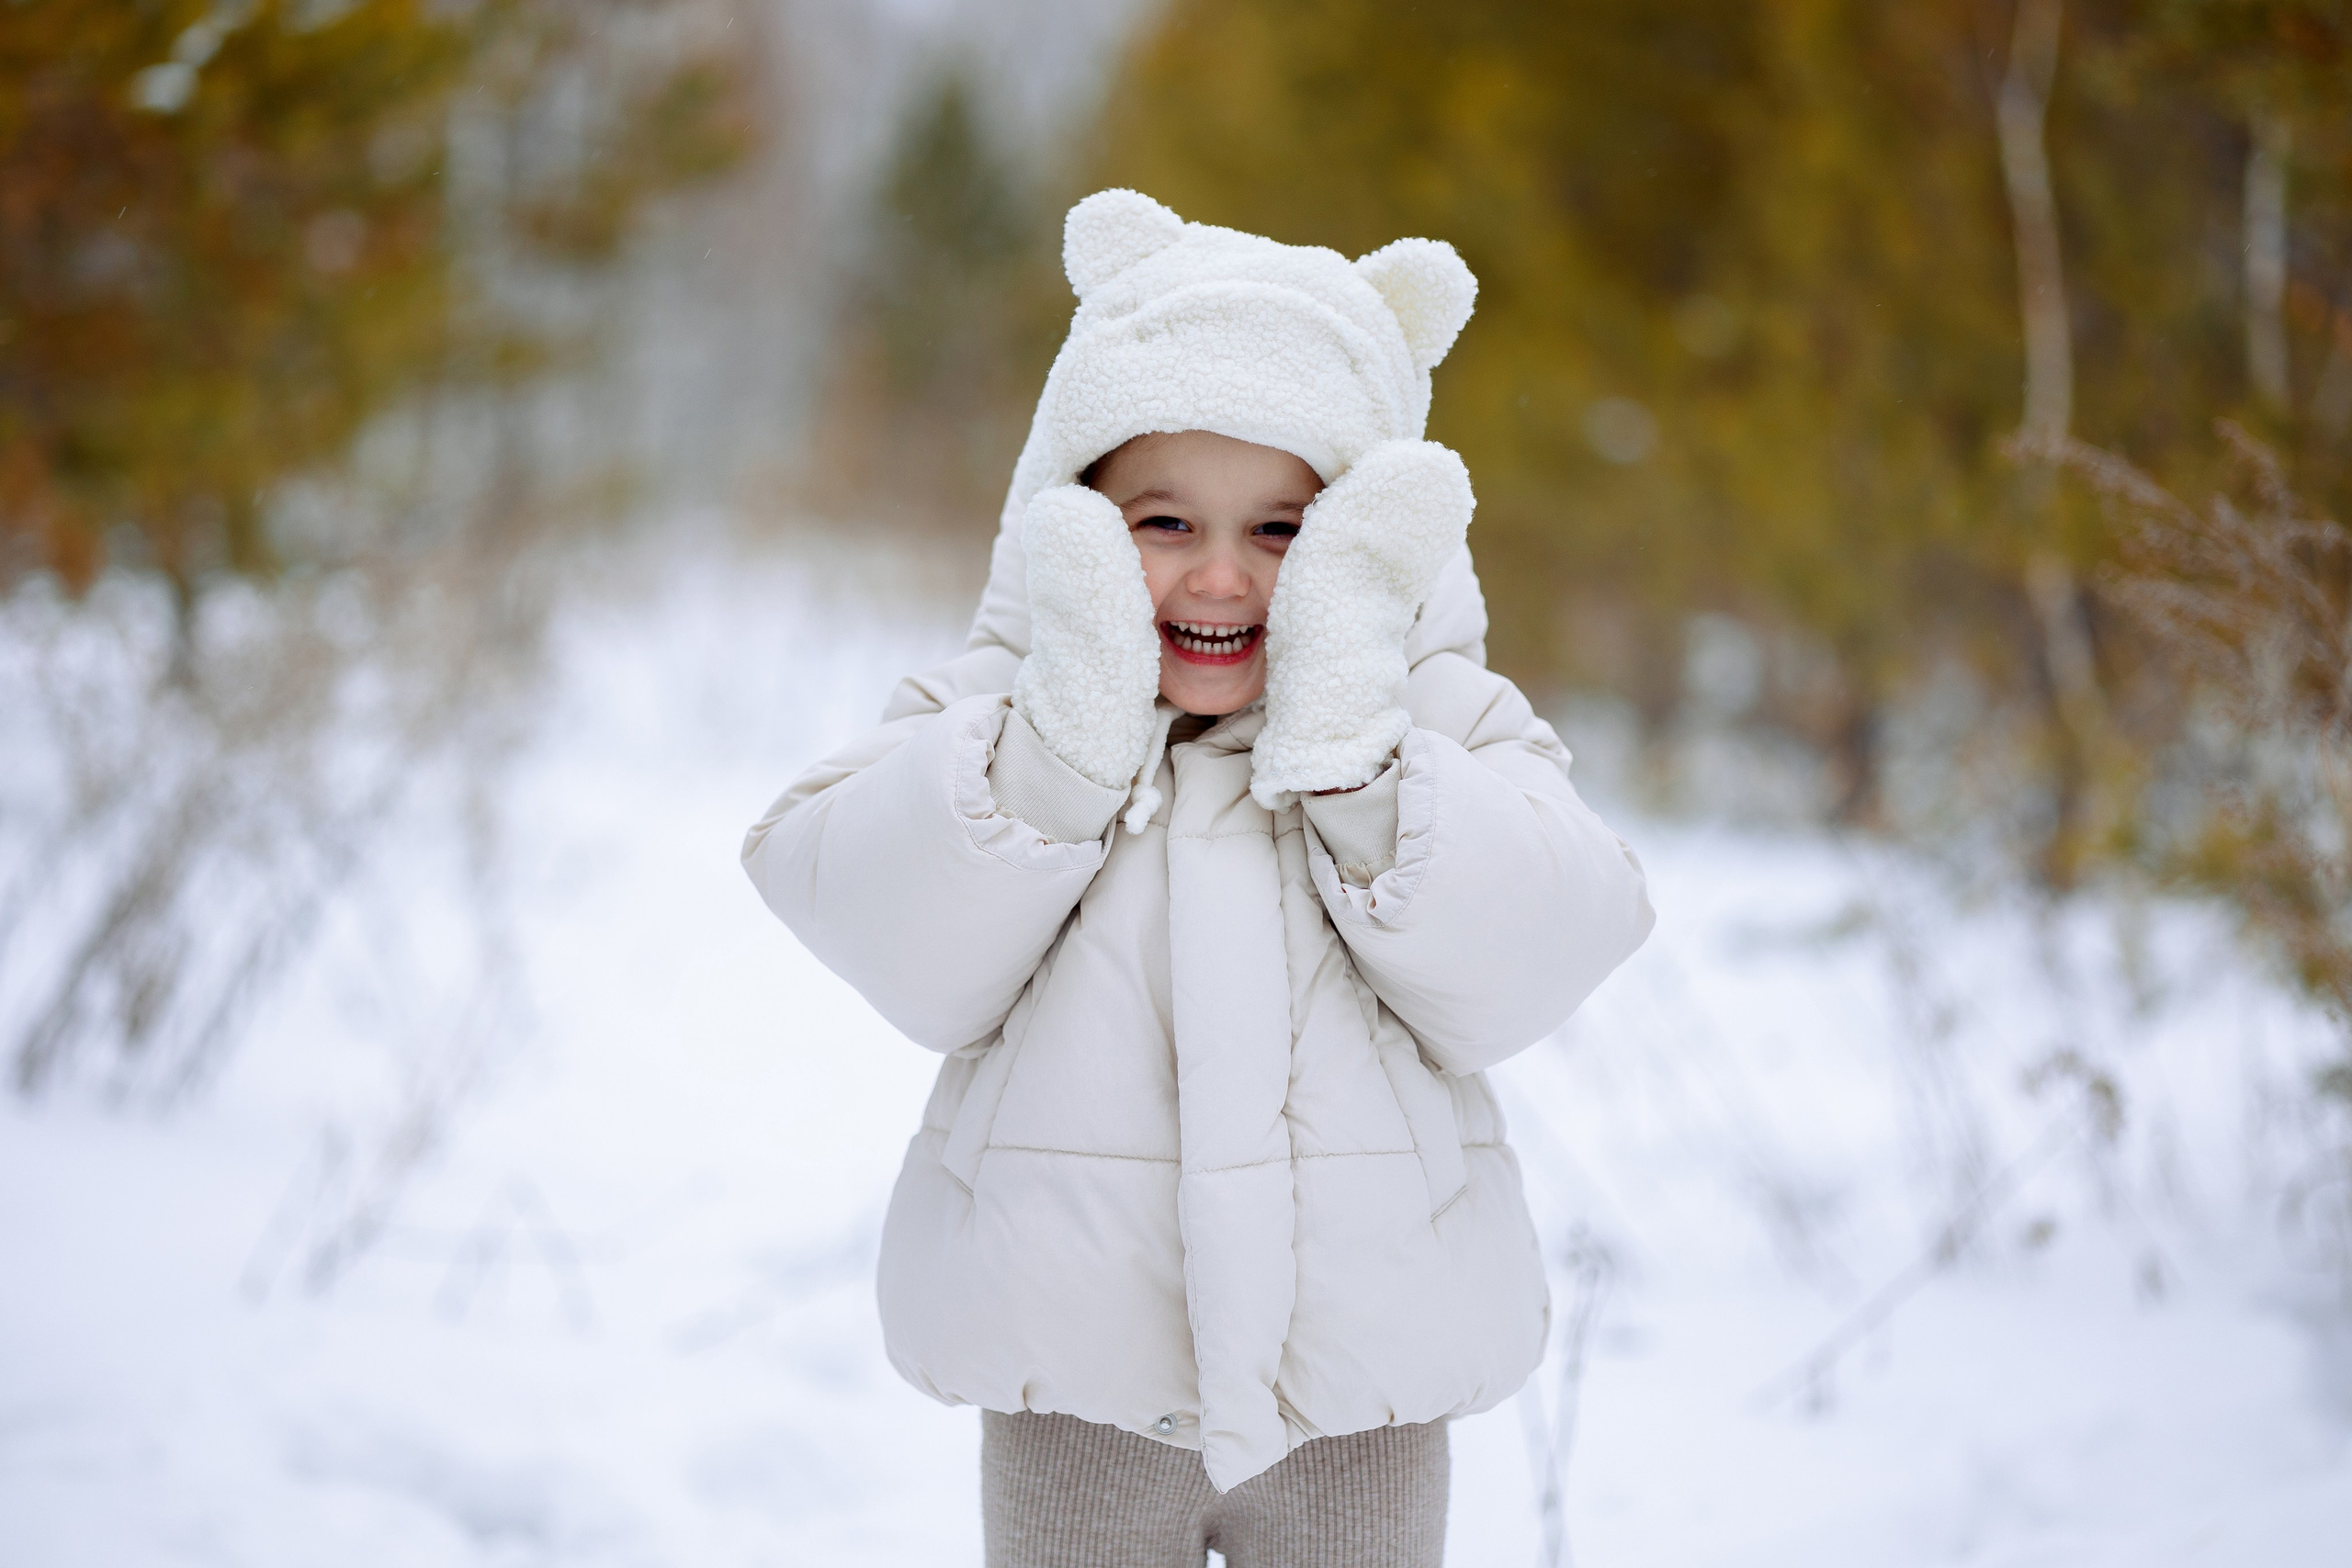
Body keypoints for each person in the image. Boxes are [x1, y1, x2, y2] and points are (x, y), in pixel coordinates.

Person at [741, 188, 1655, 1568]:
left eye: (1285, 532)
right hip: (1078, 1385)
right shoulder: (1000, 711)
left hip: (1363, 1390)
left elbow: (1551, 940)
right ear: (1075, 519)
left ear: (1375, 535)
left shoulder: (1442, 725)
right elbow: (864, 907)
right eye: (1164, 522)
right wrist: (1055, 758)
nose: (1220, 578)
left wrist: (1362, 766)